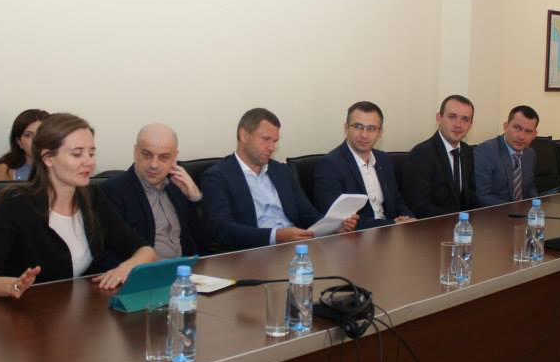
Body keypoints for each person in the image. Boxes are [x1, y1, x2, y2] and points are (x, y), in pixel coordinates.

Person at [0, 113, 158, 298]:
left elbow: (146, 251)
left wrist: (126, 268)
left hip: (77, 310)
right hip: (26, 313)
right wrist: (12, 285)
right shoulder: (17, 204)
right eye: (77, 154)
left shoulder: (92, 197)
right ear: (48, 158)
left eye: (91, 153)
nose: (89, 162)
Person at [202, 108, 359, 251]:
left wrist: (334, 226)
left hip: (295, 248)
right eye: (266, 139)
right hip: (253, 253)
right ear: (244, 135)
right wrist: (276, 236)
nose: (272, 147)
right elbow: (223, 229)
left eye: (275, 141)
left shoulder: (281, 171)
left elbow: (307, 215)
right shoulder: (217, 176)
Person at [99, 123, 209, 268]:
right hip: (145, 275)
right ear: (136, 152)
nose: (154, 165)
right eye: (147, 155)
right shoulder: (112, 191)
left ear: (174, 158)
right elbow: (110, 254)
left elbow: (204, 244)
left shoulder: (179, 186)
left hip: (187, 272)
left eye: (164, 157)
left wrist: (195, 198)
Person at [314, 101, 415, 229]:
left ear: (380, 132)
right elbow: (337, 219)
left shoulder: (384, 159)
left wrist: (409, 219)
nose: (364, 135)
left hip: (391, 231)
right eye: (358, 126)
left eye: (371, 128)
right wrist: (392, 224)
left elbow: (396, 200)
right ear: (346, 128)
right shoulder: (330, 165)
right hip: (357, 236)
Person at [403, 95, 476, 217]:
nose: (458, 124)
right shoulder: (421, 154)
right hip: (434, 225)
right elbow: (419, 206)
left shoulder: (467, 151)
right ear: (439, 118)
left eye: (465, 119)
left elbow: (471, 196)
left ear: (471, 124)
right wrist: (457, 218)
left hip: (463, 224)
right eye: (452, 117)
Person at [474, 105, 540, 206]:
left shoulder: (530, 154)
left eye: (528, 131)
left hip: (523, 212)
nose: (521, 136)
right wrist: (515, 209)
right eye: (517, 128)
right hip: (495, 212)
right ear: (505, 127)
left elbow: (530, 188)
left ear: (534, 134)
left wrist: (537, 206)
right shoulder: (485, 152)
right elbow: (482, 196)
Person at [0, 109, 50, 181]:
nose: (35, 140)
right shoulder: (5, 168)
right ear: (19, 142)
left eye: (40, 133)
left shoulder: (59, 164)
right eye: (28, 135)